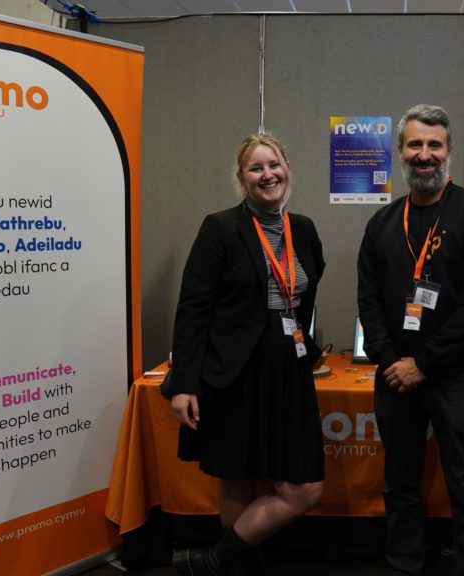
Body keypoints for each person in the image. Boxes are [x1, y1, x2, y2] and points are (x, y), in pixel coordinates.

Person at [357, 104, 464, 576]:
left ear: (448, 151)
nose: (425, 155)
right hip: (394, 375)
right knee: (399, 479)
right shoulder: (383, 223)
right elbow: (368, 299)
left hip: (453, 375)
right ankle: (404, 562)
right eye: (415, 145)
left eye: (434, 145)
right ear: (401, 152)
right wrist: (389, 359)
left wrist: (423, 362)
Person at [167, 133, 326, 576]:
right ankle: (236, 571)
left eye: (273, 164)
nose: (267, 174)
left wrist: (306, 349)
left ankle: (210, 563)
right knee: (237, 476)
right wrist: (185, 384)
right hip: (235, 371)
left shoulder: (305, 229)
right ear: (241, 178)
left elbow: (305, 300)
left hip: (289, 370)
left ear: (287, 167)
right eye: (255, 168)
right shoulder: (220, 227)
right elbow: (194, 308)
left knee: (304, 487)